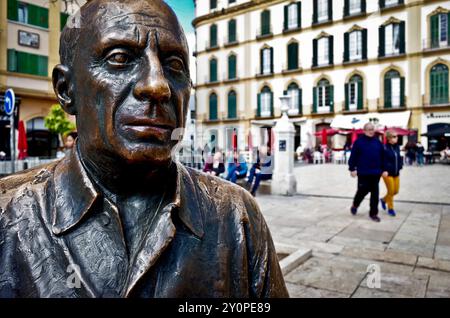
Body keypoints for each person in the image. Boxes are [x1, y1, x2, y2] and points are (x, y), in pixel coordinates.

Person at [0, 0, 287, 298]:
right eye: (120, 58)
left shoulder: (236, 215)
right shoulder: (7, 214)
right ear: (66, 89)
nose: (157, 86)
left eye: (174, 64)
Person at [348, 123, 388, 222]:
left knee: (375, 194)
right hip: (363, 172)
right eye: (369, 129)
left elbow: (383, 156)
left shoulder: (377, 142)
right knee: (362, 191)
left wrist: (384, 169)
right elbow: (353, 156)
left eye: (372, 129)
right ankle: (355, 204)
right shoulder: (358, 142)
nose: (371, 131)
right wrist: (352, 168)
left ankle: (373, 213)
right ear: (364, 130)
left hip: (376, 172)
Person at [380, 131, 403, 217]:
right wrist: (383, 170)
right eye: (394, 136)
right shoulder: (384, 148)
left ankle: (383, 200)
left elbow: (399, 158)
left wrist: (400, 166)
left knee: (396, 191)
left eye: (396, 136)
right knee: (391, 191)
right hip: (387, 173)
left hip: (396, 173)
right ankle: (391, 208)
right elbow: (381, 160)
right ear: (389, 138)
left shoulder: (397, 147)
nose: (396, 138)